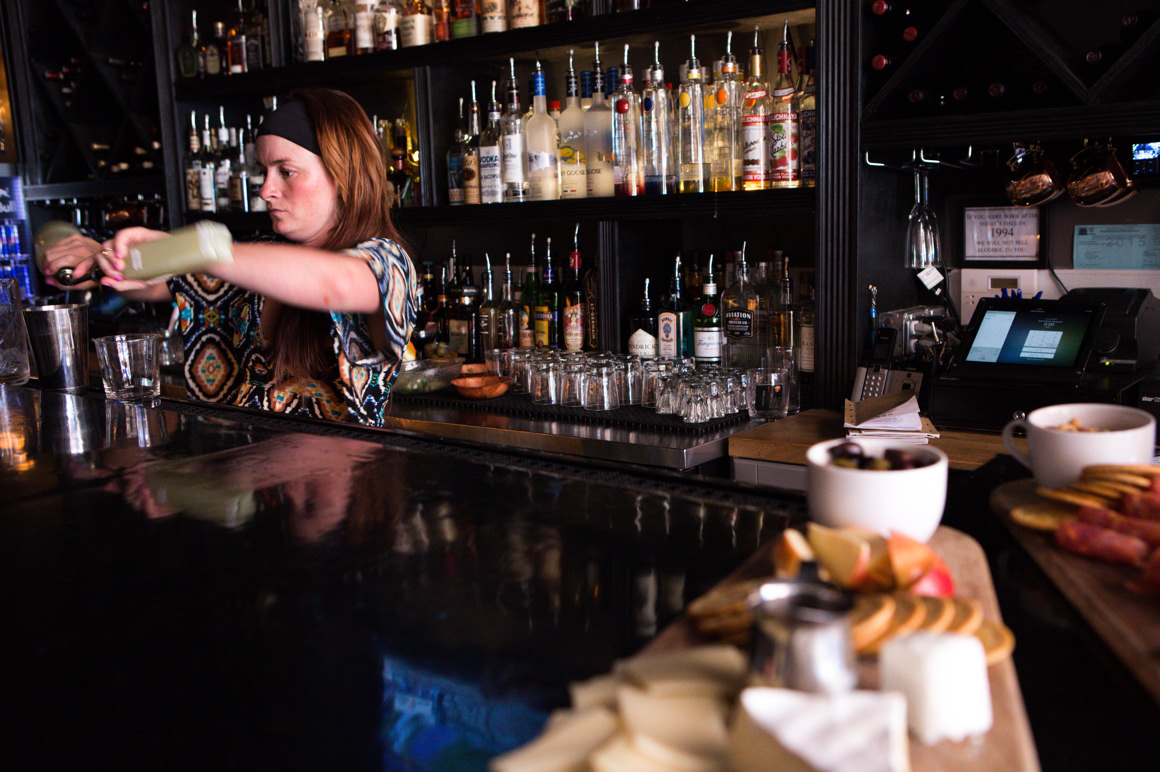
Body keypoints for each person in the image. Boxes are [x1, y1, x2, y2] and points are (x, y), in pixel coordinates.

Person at [41, 89, 419, 427]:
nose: (266, 190)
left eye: (286, 171)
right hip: (253, 487)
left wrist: (193, 250)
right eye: (263, 171)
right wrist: (101, 255)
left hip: (343, 494)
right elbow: (154, 281)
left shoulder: (388, 263)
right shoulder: (259, 261)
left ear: (344, 175)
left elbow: (333, 283)